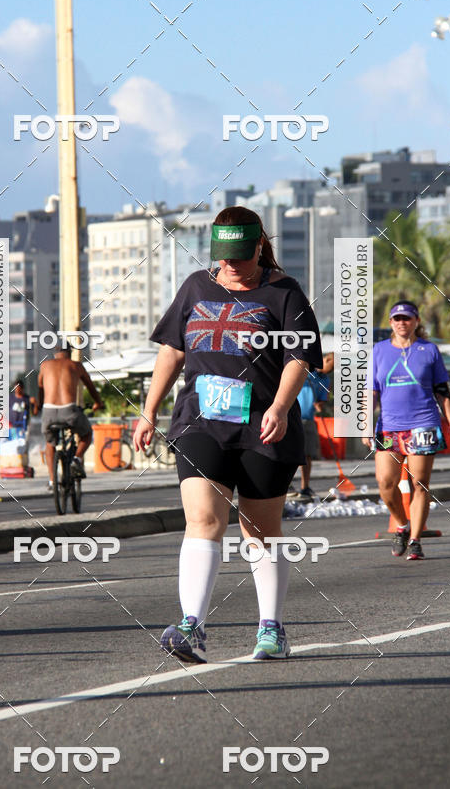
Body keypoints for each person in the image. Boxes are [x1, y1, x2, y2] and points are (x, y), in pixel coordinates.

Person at [134, 207, 322, 663]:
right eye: (224, 257)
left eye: (241, 256)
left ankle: (271, 629)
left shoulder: (284, 292)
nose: (231, 266)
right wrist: (148, 411)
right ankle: (192, 626)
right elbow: (173, 351)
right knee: (203, 518)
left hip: (264, 427)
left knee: (260, 530)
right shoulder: (197, 287)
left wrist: (280, 405)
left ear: (260, 246)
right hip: (201, 422)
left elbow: (300, 357)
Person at [363, 300, 450, 560]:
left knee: (419, 484)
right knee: (385, 482)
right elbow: (371, 392)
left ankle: (416, 540)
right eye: (397, 319)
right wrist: (364, 425)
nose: (401, 323)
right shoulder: (379, 350)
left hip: (423, 425)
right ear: (390, 323)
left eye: (406, 318)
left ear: (416, 322)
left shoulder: (428, 350)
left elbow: (443, 392)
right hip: (388, 428)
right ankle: (401, 524)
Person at [38, 345, 103, 487]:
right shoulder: (76, 365)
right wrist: (98, 403)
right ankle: (77, 459)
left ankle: (52, 480)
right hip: (69, 411)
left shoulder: (45, 366)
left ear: (55, 353)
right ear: (69, 353)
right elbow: (91, 387)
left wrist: (39, 406)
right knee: (86, 434)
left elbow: (40, 389)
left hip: (48, 411)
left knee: (50, 444)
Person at [288, 352, 334, 501]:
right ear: (326, 359)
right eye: (332, 366)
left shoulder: (325, 380)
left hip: (309, 418)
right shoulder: (306, 369)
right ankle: (286, 484)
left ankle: (305, 487)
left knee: (307, 454)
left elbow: (321, 399)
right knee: (291, 452)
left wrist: (320, 405)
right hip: (293, 416)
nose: (332, 370)